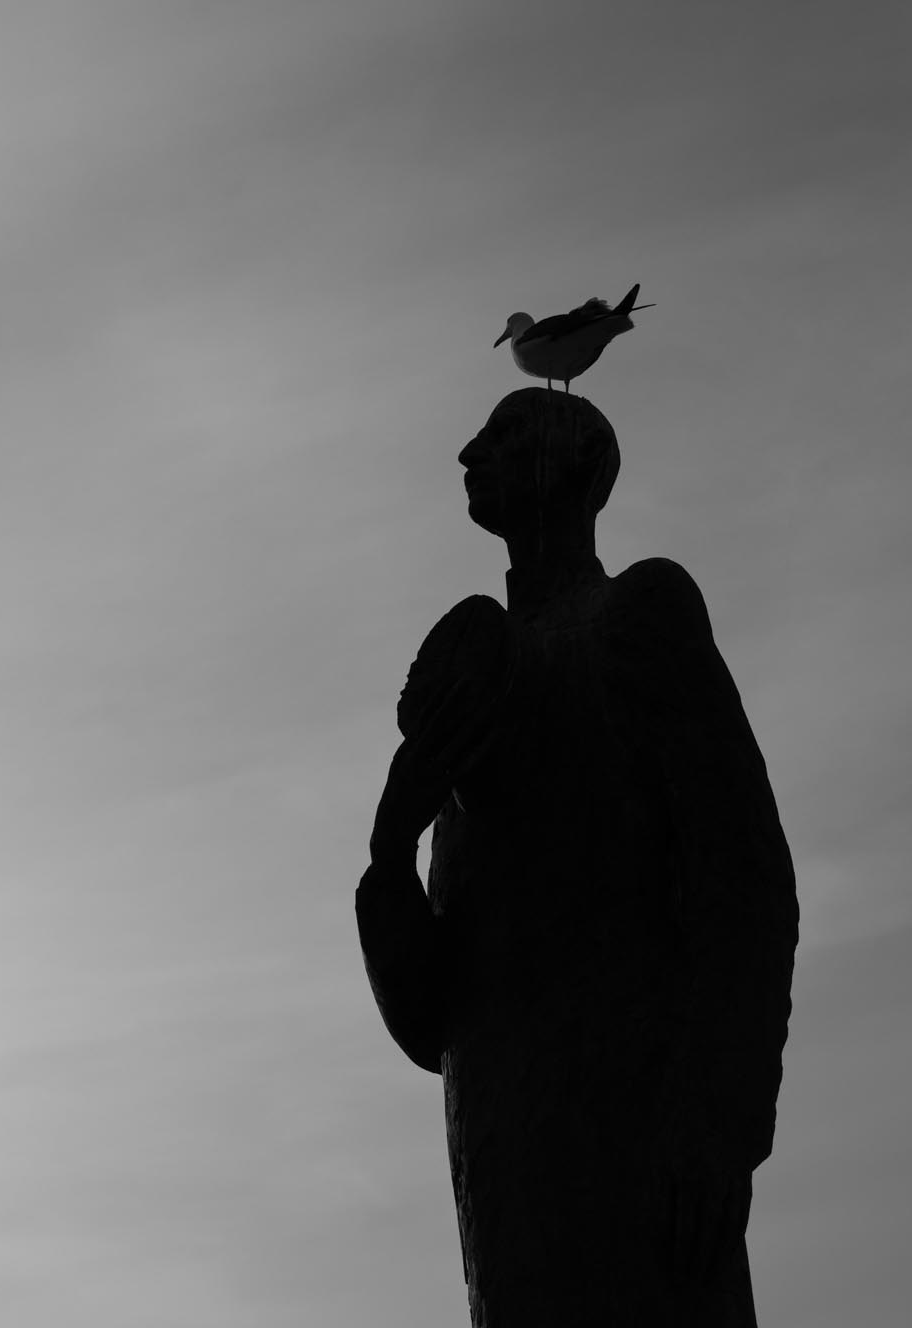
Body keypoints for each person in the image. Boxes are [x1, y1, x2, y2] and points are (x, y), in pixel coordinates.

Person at [357, 388, 799, 1326]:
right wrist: (393, 855)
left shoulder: (639, 611)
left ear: (576, 463)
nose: (473, 450)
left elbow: (743, 875)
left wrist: (717, 1124)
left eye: (506, 433)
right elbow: (434, 1018)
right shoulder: (474, 692)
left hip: (643, 1141)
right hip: (510, 1165)